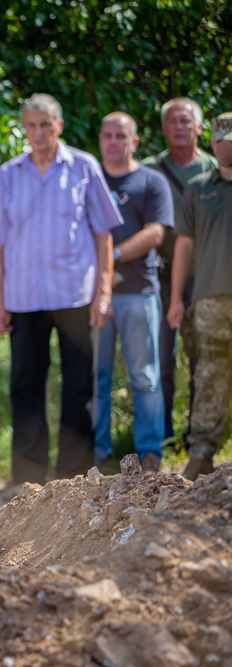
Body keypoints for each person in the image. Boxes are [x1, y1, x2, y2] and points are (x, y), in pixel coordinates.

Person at [0, 94, 122, 490]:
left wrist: (104, 292)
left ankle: (73, 479)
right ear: (24, 129)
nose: (39, 133)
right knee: (25, 385)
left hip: (75, 294)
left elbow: (103, 235)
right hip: (23, 298)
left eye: (46, 125)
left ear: (59, 126)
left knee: (78, 385)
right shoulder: (8, 175)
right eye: (32, 125)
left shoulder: (83, 167)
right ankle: (28, 482)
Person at [94, 113, 173, 472]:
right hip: (95, 296)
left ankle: (150, 454)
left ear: (134, 141)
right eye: (107, 135)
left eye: (120, 136)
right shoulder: (88, 181)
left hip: (139, 292)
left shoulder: (151, 181)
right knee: (96, 377)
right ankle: (97, 457)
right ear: (100, 139)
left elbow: (156, 233)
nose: (113, 141)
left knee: (145, 377)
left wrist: (111, 257)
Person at [143, 98, 218, 443]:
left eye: (187, 121)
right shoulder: (148, 170)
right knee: (160, 356)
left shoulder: (215, 171)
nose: (180, 127)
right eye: (173, 121)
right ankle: (163, 435)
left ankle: (198, 433)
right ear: (163, 128)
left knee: (203, 353)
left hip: (203, 276)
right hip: (157, 275)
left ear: (199, 128)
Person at [167, 112, 232, 480]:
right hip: (208, 298)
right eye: (222, 140)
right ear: (213, 143)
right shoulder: (196, 189)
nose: (228, 147)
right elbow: (183, 248)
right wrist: (177, 298)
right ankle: (202, 451)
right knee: (208, 374)